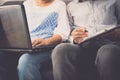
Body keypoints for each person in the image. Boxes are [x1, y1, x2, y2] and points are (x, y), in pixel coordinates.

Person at [52, 0, 120, 80]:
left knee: (107, 52)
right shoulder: (70, 7)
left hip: (109, 45)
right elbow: (67, 32)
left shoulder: (115, 2)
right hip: (83, 48)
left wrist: (117, 33)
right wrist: (74, 38)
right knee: (60, 49)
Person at [17, 0, 70, 80]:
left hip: (48, 48)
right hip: (27, 45)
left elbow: (63, 33)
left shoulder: (59, 5)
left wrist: (46, 42)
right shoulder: (26, 4)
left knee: (26, 61)